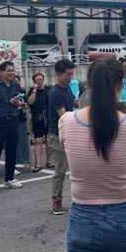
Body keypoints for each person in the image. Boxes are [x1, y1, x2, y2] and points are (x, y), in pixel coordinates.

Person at [60, 59, 126, 252]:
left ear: (88, 85)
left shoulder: (65, 121)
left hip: (83, 217)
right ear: (121, 86)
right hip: (125, 216)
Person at [0, 61, 24, 194]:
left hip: (13, 119)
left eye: (13, 71)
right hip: (0, 121)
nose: (11, 73)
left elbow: (21, 103)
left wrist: (17, 102)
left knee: (12, 150)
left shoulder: (15, 85)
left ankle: (9, 178)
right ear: (1, 72)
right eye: (8, 71)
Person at [47, 59, 76, 215]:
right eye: (68, 74)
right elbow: (64, 116)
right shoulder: (55, 92)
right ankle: (56, 201)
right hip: (57, 135)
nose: (70, 77)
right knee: (60, 169)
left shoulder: (67, 88)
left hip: (68, 133)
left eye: (71, 74)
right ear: (58, 74)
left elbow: (74, 104)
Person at [27, 72, 51, 172]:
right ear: (34, 81)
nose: (40, 82)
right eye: (38, 80)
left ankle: (49, 161)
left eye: (41, 79)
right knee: (38, 140)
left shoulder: (48, 89)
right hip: (37, 118)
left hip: (48, 117)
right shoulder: (31, 91)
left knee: (49, 140)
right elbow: (30, 102)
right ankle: (38, 163)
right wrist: (35, 90)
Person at [13, 75, 31, 170]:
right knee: (14, 142)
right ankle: (16, 161)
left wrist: (23, 104)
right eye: (14, 81)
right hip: (13, 118)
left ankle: (24, 160)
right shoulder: (11, 92)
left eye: (18, 81)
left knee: (24, 140)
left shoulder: (23, 92)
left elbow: (28, 103)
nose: (16, 83)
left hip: (22, 117)